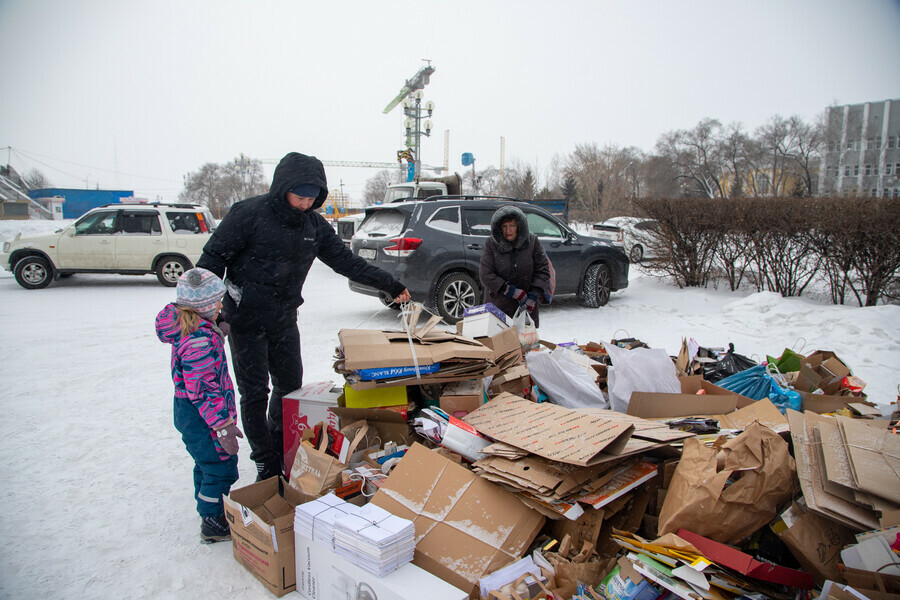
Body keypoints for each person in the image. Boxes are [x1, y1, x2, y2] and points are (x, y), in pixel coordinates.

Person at [198, 152, 410, 481]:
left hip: (283, 318)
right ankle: (265, 462)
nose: (305, 204)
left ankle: (280, 445)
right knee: (255, 393)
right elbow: (212, 258)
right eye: (300, 196)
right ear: (282, 188)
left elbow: (347, 263)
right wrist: (207, 310)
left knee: (289, 387)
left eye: (313, 198)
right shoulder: (249, 214)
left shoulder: (313, 224)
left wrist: (390, 284)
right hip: (245, 318)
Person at [155, 267, 242, 544]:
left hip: (191, 411)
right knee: (221, 467)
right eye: (217, 301)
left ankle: (208, 509)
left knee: (206, 464)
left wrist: (217, 330)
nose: (220, 305)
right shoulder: (198, 340)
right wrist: (222, 425)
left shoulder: (193, 329)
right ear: (203, 306)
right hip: (203, 416)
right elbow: (203, 389)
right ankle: (212, 520)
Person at [479, 205, 552, 326]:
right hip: (499, 307)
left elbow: (543, 270)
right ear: (499, 228)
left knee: (525, 342)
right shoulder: (491, 244)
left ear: (519, 226)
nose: (508, 231)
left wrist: (534, 295)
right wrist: (510, 290)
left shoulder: (532, 242)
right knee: (500, 342)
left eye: (512, 225)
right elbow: (485, 274)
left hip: (527, 307)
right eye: (504, 226)